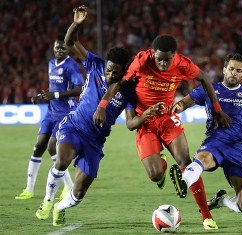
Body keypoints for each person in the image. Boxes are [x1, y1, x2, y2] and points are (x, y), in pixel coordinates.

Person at [93, 34, 232, 229]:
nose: (162, 64)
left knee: (186, 163)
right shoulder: (141, 61)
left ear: (174, 55)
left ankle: (207, 217)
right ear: (153, 53)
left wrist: (218, 111)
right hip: (145, 122)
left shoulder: (183, 64)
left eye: (167, 60)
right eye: (159, 59)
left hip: (167, 117)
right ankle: (163, 165)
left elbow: (205, 80)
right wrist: (102, 106)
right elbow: (120, 83)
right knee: (155, 175)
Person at [34, 5, 156, 227]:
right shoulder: (94, 63)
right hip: (74, 126)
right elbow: (70, 43)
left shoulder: (128, 91)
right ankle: (47, 201)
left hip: (95, 141)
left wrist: (145, 114)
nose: (109, 74)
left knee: (79, 192)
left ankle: (60, 208)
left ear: (123, 72)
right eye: (108, 69)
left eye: (114, 72)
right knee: (62, 159)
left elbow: (130, 124)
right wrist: (76, 24)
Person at [169, 53, 242, 227]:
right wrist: (179, 106)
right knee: (203, 158)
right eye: (231, 68)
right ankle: (183, 180)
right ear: (224, 70)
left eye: (239, 70)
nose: (234, 73)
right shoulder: (210, 89)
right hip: (215, 141)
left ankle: (221, 201)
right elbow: (186, 101)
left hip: (239, 147)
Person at [15, 36, 84, 200]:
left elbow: (80, 89)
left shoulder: (71, 66)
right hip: (51, 111)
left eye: (63, 48)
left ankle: (69, 187)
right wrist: (42, 95)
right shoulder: (51, 64)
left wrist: (57, 94)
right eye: (57, 48)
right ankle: (29, 190)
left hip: (65, 112)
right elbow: (54, 87)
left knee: (52, 147)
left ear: (69, 50)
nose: (59, 51)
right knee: (38, 146)